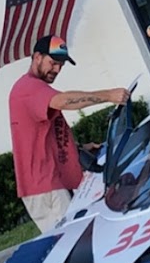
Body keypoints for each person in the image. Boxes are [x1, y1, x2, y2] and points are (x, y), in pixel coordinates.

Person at [8, 35, 127, 233]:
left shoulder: (34, 89)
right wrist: (108, 96)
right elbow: (63, 101)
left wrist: (77, 148)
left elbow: (43, 136)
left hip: (52, 182)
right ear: (37, 57)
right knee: (73, 238)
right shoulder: (28, 87)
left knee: (82, 234)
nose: (57, 70)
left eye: (61, 65)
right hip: (45, 187)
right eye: (53, 63)